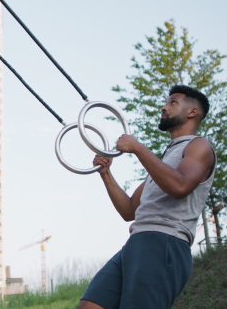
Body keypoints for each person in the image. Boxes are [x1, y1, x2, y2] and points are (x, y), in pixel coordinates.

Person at [78, 85, 216, 309]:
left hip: (165, 242)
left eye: (173, 102)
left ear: (192, 112)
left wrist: (139, 149)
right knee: (90, 305)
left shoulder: (199, 146)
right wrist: (106, 174)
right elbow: (129, 210)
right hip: (136, 242)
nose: (164, 106)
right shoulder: (164, 161)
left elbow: (179, 186)